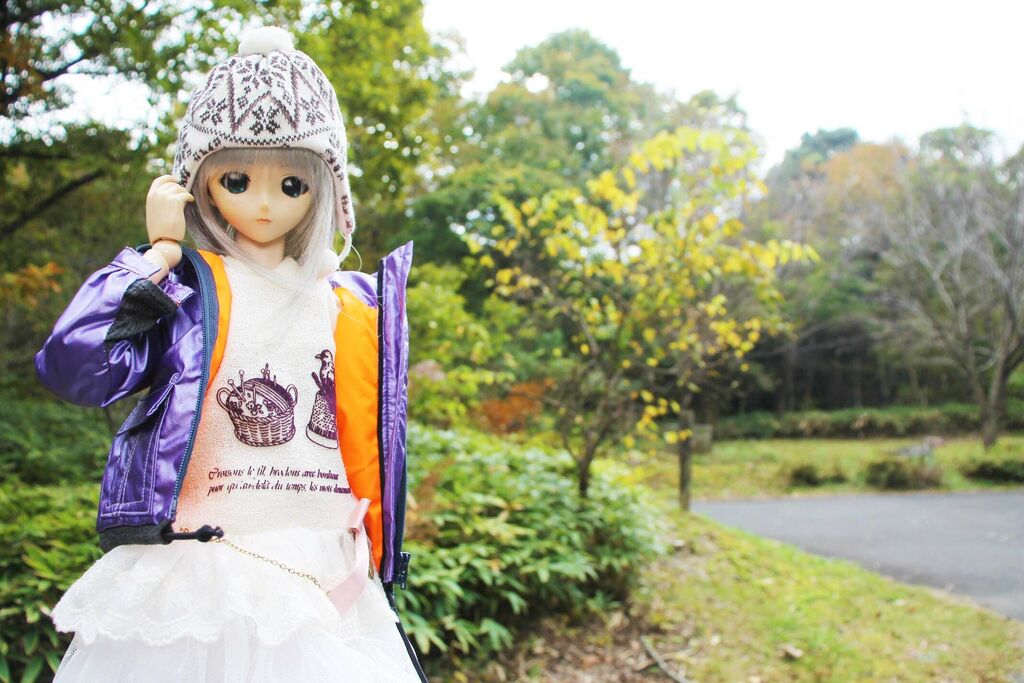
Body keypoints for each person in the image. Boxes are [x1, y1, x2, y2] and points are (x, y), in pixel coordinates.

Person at [33, 25, 426, 682]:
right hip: (202, 572)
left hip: (328, 578)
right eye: (238, 179)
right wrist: (153, 259)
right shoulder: (187, 291)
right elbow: (76, 369)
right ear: (200, 184)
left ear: (326, 189)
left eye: (293, 183)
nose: (265, 203)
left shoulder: (354, 303)